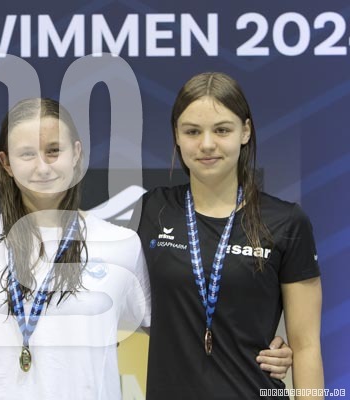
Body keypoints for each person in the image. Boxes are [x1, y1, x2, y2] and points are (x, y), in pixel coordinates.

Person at [133, 72, 323, 399]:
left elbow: (306, 346)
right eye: (192, 131)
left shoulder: (286, 222)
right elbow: (125, 309)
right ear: (176, 135)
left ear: (245, 131)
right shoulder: (152, 210)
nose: (207, 144)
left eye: (222, 130)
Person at [0, 98, 151, 400]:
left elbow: (168, 332)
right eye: (27, 154)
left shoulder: (121, 244)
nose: (42, 167)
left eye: (53, 151)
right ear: (6, 163)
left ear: (76, 154)